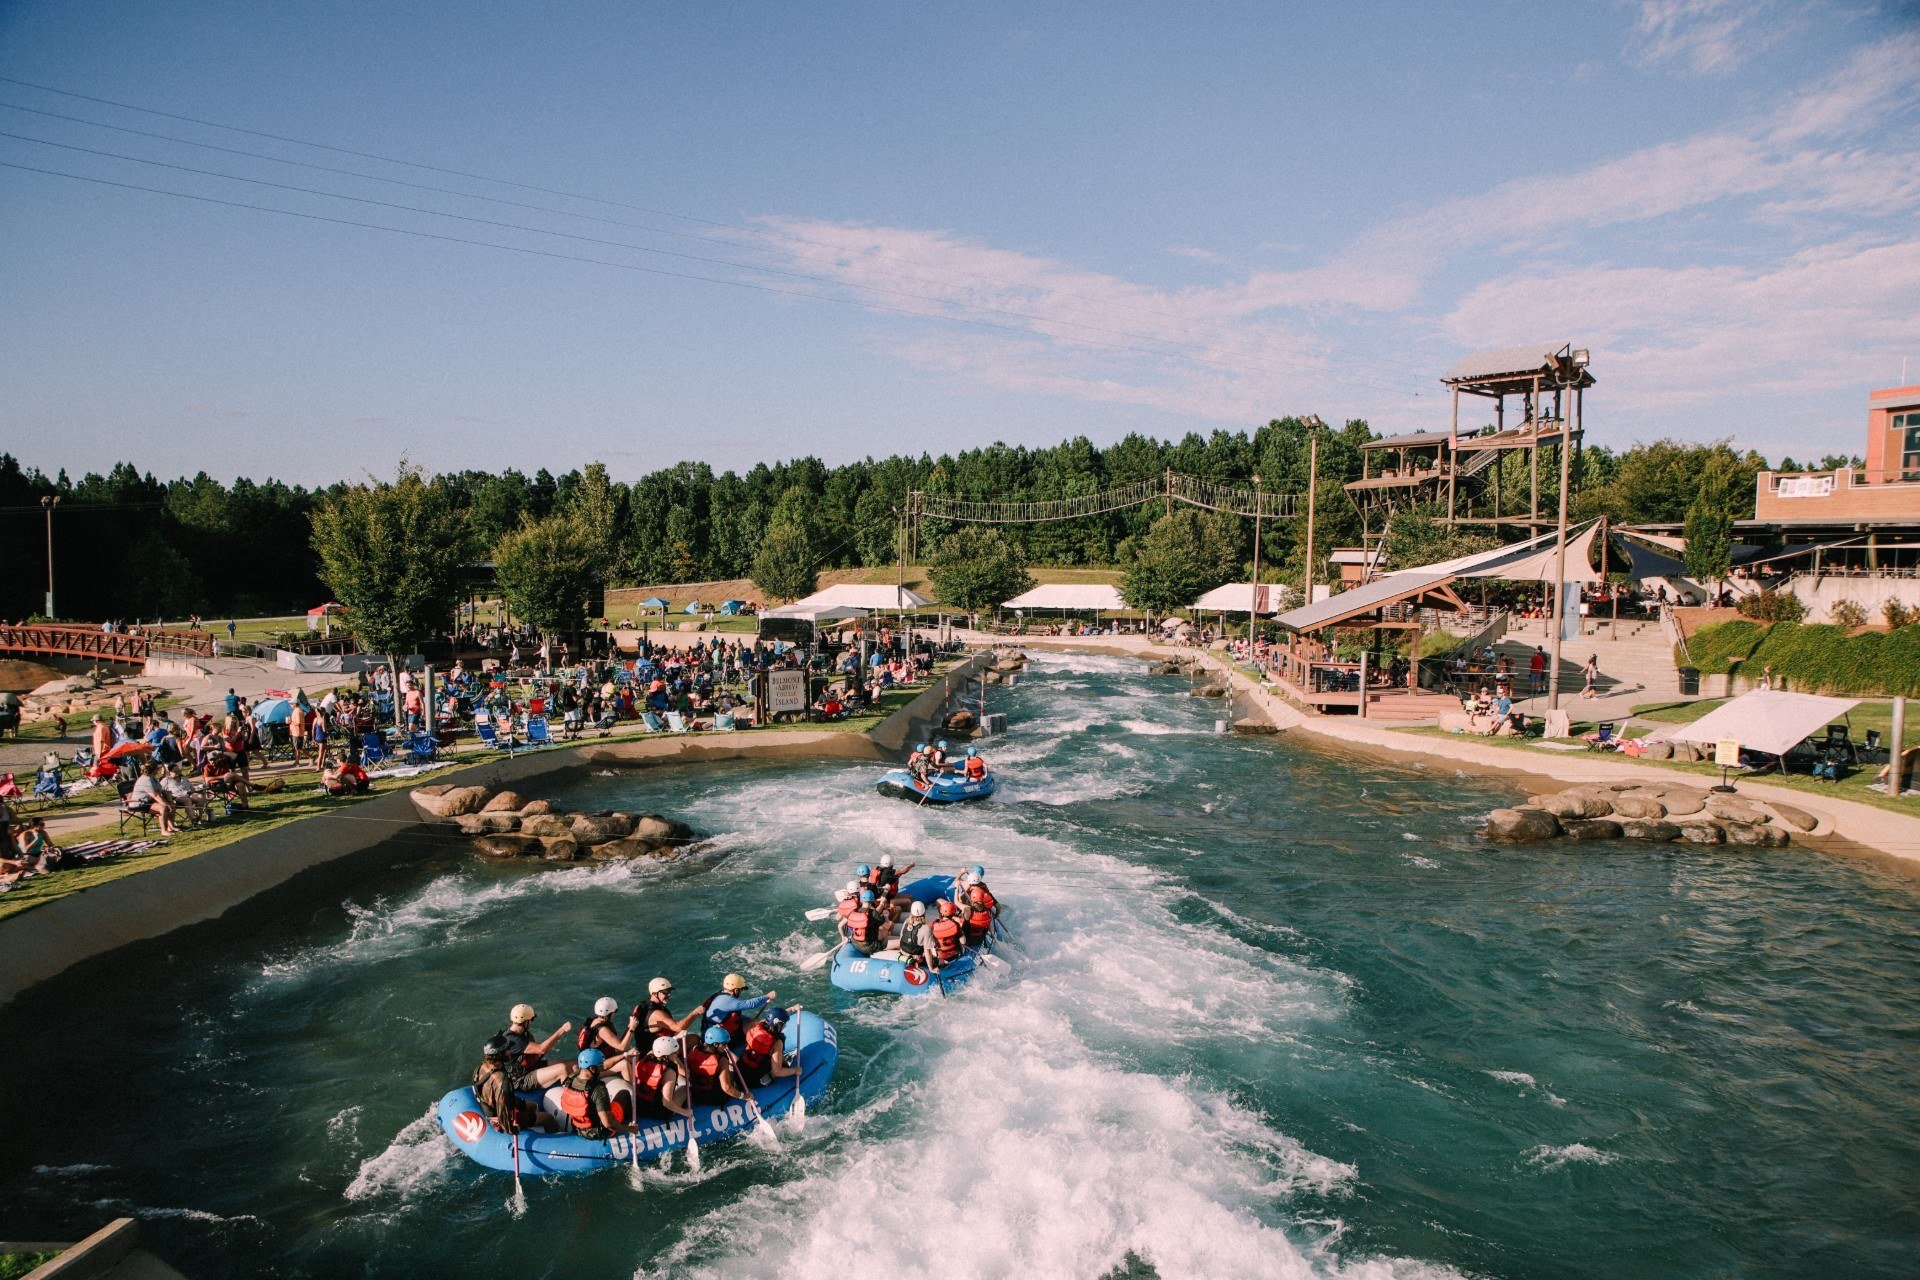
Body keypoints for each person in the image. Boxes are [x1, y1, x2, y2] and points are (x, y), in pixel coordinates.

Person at [498, 1004, 574, 1091]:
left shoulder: (523, 1034)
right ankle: (570, 1099)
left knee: (572, 1064)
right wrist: (562, 1030)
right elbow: (542, 1049)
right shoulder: (513, 1040)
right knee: (562, 1069)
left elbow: (539, 1051)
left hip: (530, 1067)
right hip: (520, 1080)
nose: (532, 1022)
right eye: (532, 1019)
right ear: (525, 1021)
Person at [557, 1049, 628, 1140]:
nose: (602, 1068)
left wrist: (624, 1055)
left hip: (578, 1127)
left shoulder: (570, 1080)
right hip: (600, 1132)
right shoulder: (598, 1089)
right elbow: (608, 1123)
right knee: (624, 1094)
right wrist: (629, 1129)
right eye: (600, 1065)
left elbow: (575, 1067)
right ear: (592, 1069)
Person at [473, 1035, 538, 1133]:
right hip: (502, 1115)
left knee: (534, 1106)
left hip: (494, 1105)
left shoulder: (480, 1068)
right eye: (506, 1050)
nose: (509, 1052)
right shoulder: (501, 1081)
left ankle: (533, 1119)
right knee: (548, 1118)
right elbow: (503, 1112)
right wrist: (512, 1129)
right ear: (499, 1055)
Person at [630, 1036, 694, 1120]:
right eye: (675, 1052)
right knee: (686, 1089)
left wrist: (675, 1038)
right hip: (659, 1112)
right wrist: (685, 1112)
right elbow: (666, 1102)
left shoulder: (648, 1056)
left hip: (639, 1107)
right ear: (667, 1054)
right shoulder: (669, 1071)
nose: (677, 1053)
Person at [702, 973, 775, 1047]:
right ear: (736, 990)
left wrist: (747, 1019)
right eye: (741, 990)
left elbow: (729, 1016)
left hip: (710, 1032)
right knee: (753, 1025)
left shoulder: (720, 996)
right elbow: (750, 1004)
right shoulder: (727, 1000)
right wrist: (767, 996)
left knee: (751, 1021)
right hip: (716, 1038)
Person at [578, 995, 643, 1076]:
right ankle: (634, 1083)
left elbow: (618, 1045)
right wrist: (632, 1028)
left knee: (630, 1053)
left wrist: (629, 1027)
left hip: (594, 1060)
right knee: (633, 1056)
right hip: (598, 1065)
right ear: (610, 1014)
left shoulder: (593, 1022)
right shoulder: (602, 1030)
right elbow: (622, 1046)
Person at [685, 1025, 749, 1104]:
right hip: (716, 1098)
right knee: (732, 1072)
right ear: (715, 1045)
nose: (725, 1047)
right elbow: (727, 1088)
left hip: (696, 1095)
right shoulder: (721, 1060)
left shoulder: (695, 1050)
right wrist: (744, 1096)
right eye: (724, 1044)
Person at [737, 1006, 799, 1087]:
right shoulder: (777, 1043)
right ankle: (764, 1080)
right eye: (784, 1023)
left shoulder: (759, 1024)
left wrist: (793, 1008)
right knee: (773, 1074)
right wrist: (795, 1070)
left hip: (739, 1071)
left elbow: (775, 1016)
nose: (785, 1025)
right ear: (779, 1024)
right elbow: (777, 1072)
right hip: (752, 1080)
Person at [640, 976, 708, 1041]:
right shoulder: (657, 1014)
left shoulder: (642, 1006)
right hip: (658, 1050)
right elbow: (679, 1027)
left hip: (654, 1045)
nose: (669, 994)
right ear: (654, 993)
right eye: (665, 992)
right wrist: (695, 1013)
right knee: (694, 1038)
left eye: (669, 991)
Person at [126, 762, 177, 835]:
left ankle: (171, 826)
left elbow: (159, 791)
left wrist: (168, 799)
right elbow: (155, 795)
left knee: (171, 803)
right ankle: (164, 830)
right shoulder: (145, 780)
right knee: (163, 807)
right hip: (140, 803)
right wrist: (165, 804)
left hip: (150, 801)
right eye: (157, 769)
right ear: (153, 770)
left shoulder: (153, 778)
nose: (158, 770)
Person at [841, 888, 886, 957]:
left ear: (861, 900)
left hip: (856, 943)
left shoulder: (853, 912)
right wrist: (886, 916)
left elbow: (840, 925)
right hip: (870, 946)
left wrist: (843, 936)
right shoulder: (873, 913)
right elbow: (887, 925)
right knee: (892, 938)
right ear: (872, 900)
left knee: (883, 932)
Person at [927, 899, 966, 971]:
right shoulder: (956, 925)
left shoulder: (932, 925)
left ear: (941, 912)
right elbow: (963, 941)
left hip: (940, 956)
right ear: (953, 913)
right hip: (955, 955)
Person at [896, 899, 931, 968]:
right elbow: (927, 952)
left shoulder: (907, 921)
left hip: (903, 953)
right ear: (924, 912)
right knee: (940, 961)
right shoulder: (926, 928)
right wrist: (931, 968)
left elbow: (901, 938)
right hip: (916, 958)